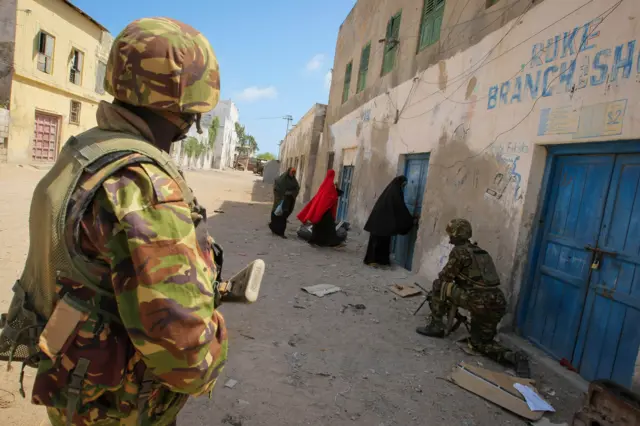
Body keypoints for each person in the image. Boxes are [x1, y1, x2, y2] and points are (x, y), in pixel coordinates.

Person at [0, 18, 228, 425]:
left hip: (74, 391)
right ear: (186, 105)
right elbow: (185, 359)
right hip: (118, 409)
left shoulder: (84, 151)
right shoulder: (143, 185)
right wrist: (216, 338)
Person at [416, 218, 530, 377]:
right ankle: (513, 357)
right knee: (480, 343)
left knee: (439, 285)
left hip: (477, 300)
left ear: (457, 234)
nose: (449, 238)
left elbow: (446, 276)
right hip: (496, 302)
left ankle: (436, 326)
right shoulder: (481, 252)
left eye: (451, 235)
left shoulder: (459, 251)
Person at [363, 176, 414, 266]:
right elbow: (400, 208)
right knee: (378, 240)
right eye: (403, 184)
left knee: (382, 240)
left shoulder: (391, 190)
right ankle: (373, 260)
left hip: (381, 220)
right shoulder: (396, 192)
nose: (403, 186)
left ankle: (379, 260)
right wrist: (411, 219)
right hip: (382, 220)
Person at [297, 169, 345, 247]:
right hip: (326, 210)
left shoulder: (325, 184)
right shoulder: (330, 185)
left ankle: (315, 241)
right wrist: (336, 191)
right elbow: (332, 197)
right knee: (330, 227)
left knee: (319, 226)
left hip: (321, 209)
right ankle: (333, 242)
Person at [269, 167, 300, 238]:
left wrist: (291, 193)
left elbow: (297, 188)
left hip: (288, 202)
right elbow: (277, 188)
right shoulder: (282, 179)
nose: (292, 174)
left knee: (283, 216)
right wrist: (284, 194)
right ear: (288, 172)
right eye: (292, 172)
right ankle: (276, 230)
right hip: (281, 201)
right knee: (277, 214)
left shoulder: (293, 180)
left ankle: (280, 231)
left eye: (294, 173)